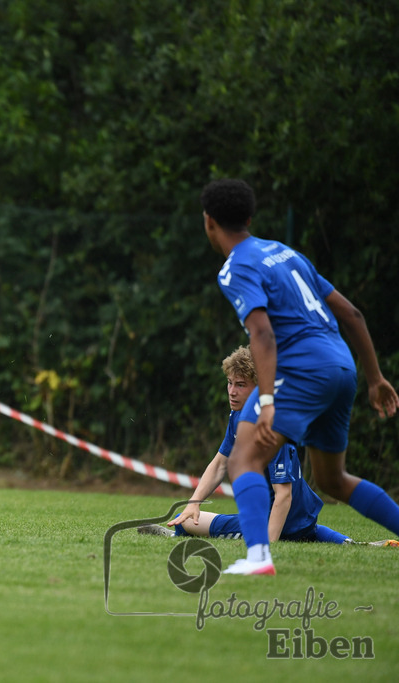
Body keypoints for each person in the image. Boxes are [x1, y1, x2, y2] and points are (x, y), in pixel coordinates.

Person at [200, 178, 399, 575]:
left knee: (242, 459)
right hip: (343, 367)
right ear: (250, 218)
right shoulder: (285, 253)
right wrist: (374, 377)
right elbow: (352, 315)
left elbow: (263, 334)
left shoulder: (235, 267)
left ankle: (257, 557)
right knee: (332, 479)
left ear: (209, 223)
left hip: (303, 369)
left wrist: (269, 401)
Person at [138, 346, 356, 544]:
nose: (232, 391)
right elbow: (220, 464)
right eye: (230, 383)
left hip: (279, 521)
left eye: (241, 385)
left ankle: (179, 533)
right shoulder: (239, 415)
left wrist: (266, 547)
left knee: (185, 522)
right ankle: (346, 542)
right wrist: (194, 502)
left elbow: (284, 495)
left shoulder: (270, 426)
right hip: (302, 518)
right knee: (189, 515)